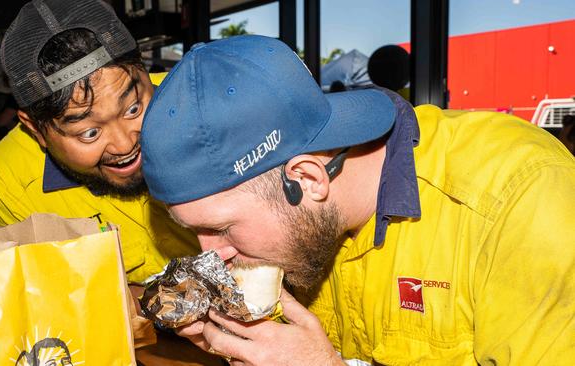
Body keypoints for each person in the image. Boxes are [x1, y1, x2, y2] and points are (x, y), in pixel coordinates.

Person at [140, 35, 575, 365]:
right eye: (194, 231)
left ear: (307, 178)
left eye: (220, 229)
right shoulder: (302, 226)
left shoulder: (522, 196)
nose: (211, 255)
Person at [0, 0, 199, 283]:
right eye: (89, 133)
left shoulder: (202, 100)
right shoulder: (11, 181)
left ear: (146, 73)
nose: (124, 146)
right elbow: (42, 299)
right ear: (35, 129)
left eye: (133, 109)